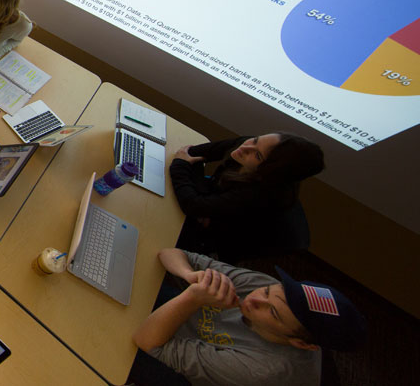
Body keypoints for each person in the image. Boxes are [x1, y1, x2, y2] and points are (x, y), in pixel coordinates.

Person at [131, 248, 365, 386]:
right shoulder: (273, 289)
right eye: (267, 293)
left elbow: (147, 342)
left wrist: (193, 297)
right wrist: (191, 275)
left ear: (300, 343)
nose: (256, 299)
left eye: (272, 312)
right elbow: (170, 253)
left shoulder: (269, 369)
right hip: (181, 320)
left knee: (112, 351)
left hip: (186, 372)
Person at [171, 133, 324, 261]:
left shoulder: (261, 194)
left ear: (269, 172)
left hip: (221, 237)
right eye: (256, 140)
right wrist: (200, 197)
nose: (245, 147)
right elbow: (193, 153)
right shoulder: (247, 146)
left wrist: (181, 166)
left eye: (257, 155)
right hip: (213, 205)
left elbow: (193, 205)